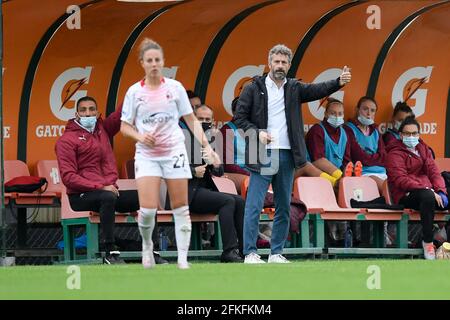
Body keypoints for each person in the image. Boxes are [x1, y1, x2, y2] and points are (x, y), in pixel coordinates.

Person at [234, 43, 351, 263]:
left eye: (284, 62)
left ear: (289, 65)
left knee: (283, 205)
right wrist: (256, 133)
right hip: (262, 153)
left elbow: (318, 89)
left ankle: (276, 252)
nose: (279, 65)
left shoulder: (295, 88)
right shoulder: (253, 87)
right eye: (276, 61)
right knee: (254, 204)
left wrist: (338, 82)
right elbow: (239, 118)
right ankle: (249, 252)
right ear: (269, 63)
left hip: (287, 154)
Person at [120, 38, 220, 269]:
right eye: (149, 60)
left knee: (180, 206)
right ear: (142, 63)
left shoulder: (175, 88)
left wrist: (207, 147)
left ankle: (182, 258)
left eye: (158, 60)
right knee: (146, 210)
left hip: (174, 151)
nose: (154, 64)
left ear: (163, 62)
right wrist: (140, 136)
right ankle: (147, 246)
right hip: (147, 155)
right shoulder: (134, 92)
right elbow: (124, 126)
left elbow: (191, 120)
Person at [56, 96, 167, 265]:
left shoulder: (103, 129)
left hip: (108, 191)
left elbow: (119, 115)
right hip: (80, 196)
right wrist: (101, 186)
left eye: (92, 109)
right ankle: (111, 252)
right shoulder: (66, 140)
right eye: (84, 110)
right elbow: (68, 177)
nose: (88, 113)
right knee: (107, 197)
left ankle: (152, 251)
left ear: (97, 112)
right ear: (76, 114)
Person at [183, 104, 244, 262]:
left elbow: (219, 172)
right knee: (228, 201)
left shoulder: (210, 140)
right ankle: (229, 251)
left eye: (207, 119)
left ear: (213, 121)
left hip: (204, 191)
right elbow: (168, 166)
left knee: (239, 201)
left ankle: (246, 250)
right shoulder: (181, 138)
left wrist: (215, 164)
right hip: (185, 193)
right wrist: (192, 171)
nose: (204, 122)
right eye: (200, 119)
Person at [385, 116, 448, 260]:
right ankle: (428, 242)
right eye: (407, 134)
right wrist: (429, 190)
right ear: (401, 135)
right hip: (406, 195)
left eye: (414, 134)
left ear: (419, 135)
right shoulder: (394, 153)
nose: (411, 137)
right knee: (427, 196)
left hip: (428, 191)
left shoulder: (423, 149)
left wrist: (440, 191)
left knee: (435, 194)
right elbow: (401, 180)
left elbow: (434, 172)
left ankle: (444, 239)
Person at [305, 97, 352, 185]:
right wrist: (341, 176)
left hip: (339, 175)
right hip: (318, 174)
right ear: (326, 114)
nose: (337, 117)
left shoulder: (344, 133)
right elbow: (317, 161)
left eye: (340, 114)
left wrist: (347, 176)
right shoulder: (317, 130)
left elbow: (346, 161)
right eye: (333, 113)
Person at [343, 96, 387, 191]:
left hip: (382, 172)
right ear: (357, 109)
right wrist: (376, 158)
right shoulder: (349, 129)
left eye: (372, 110)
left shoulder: (375, 130)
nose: (368, 113)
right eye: (365, 109)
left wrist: (369, 158)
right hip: (364, 172)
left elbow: (384, 156)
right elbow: (358, 156)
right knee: (387, 189)